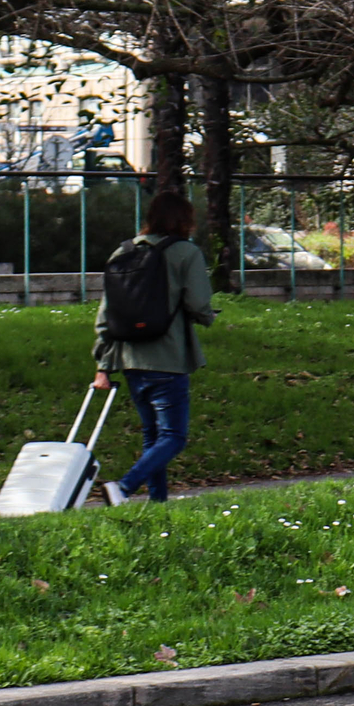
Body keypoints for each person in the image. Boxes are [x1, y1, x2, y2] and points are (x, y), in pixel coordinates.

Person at [92, 190, 215, 504]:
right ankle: (123, 488)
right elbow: (199, 302)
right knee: (173, 437)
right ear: (184, 220)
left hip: (130, 358)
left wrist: (103, 364)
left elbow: (107, 314)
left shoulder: (122, 252)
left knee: (153, 436)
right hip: (168, 357)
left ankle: (158, 504)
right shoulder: (186, 253)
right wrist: (206, 317)